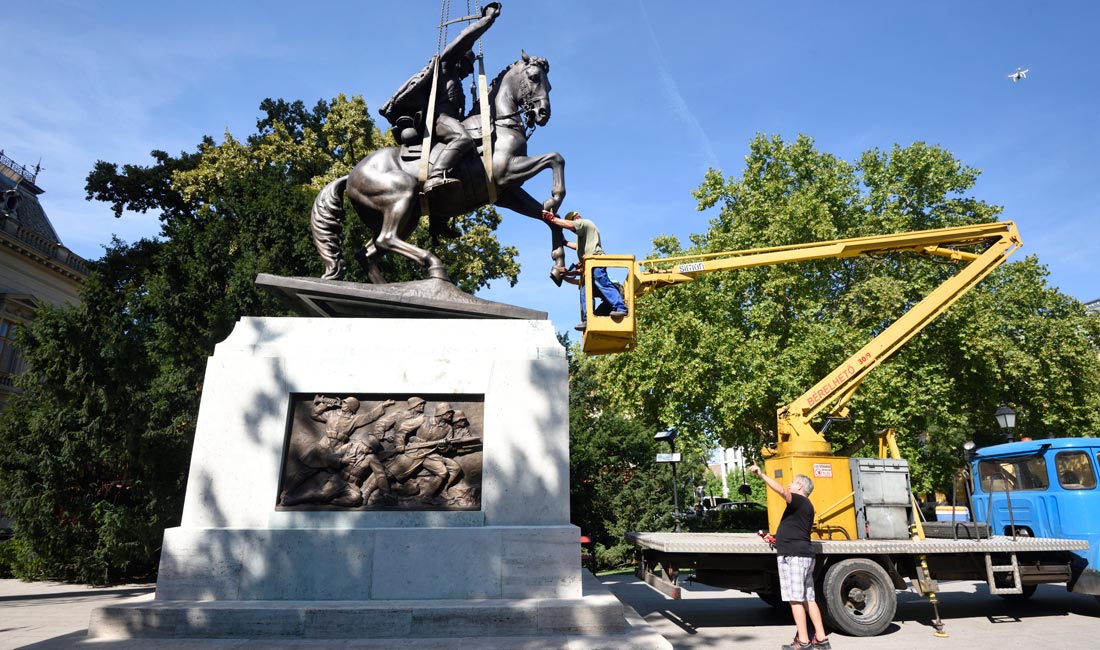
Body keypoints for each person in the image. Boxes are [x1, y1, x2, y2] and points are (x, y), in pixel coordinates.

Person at [379, 3, 501, 196]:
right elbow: (464, 40)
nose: (468, 72)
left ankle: (441, 217)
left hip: (449, 121)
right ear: (460, 59)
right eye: (468, 67)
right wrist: (486, 21)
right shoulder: (445, 66)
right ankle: (436, 175)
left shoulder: (459, 85)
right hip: (438, 119)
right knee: (462, 138)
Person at [748, 464, 830, 650]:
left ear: (800, 487)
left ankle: (803, 641)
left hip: (794, 557)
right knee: (809, 598)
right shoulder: (804, 507)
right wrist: (776, 538)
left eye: (793, 483)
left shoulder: (800, 501)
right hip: (802, 555)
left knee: (796, 599)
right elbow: (794, 531)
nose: (790, 485)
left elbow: (783, 492)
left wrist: (761, 475)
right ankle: (821, 638)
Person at [542, 210, 628, 331]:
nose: (572, 230)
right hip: (589, 264)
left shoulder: (584, 223)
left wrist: (552, 219)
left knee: (601, 281)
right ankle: (587, 319)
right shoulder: (584, 238)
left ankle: (621, 308)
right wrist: (565, 245)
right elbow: (577, 249)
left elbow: (570, 225)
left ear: (575, 219)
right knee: (585, 289)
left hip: (596, 260)